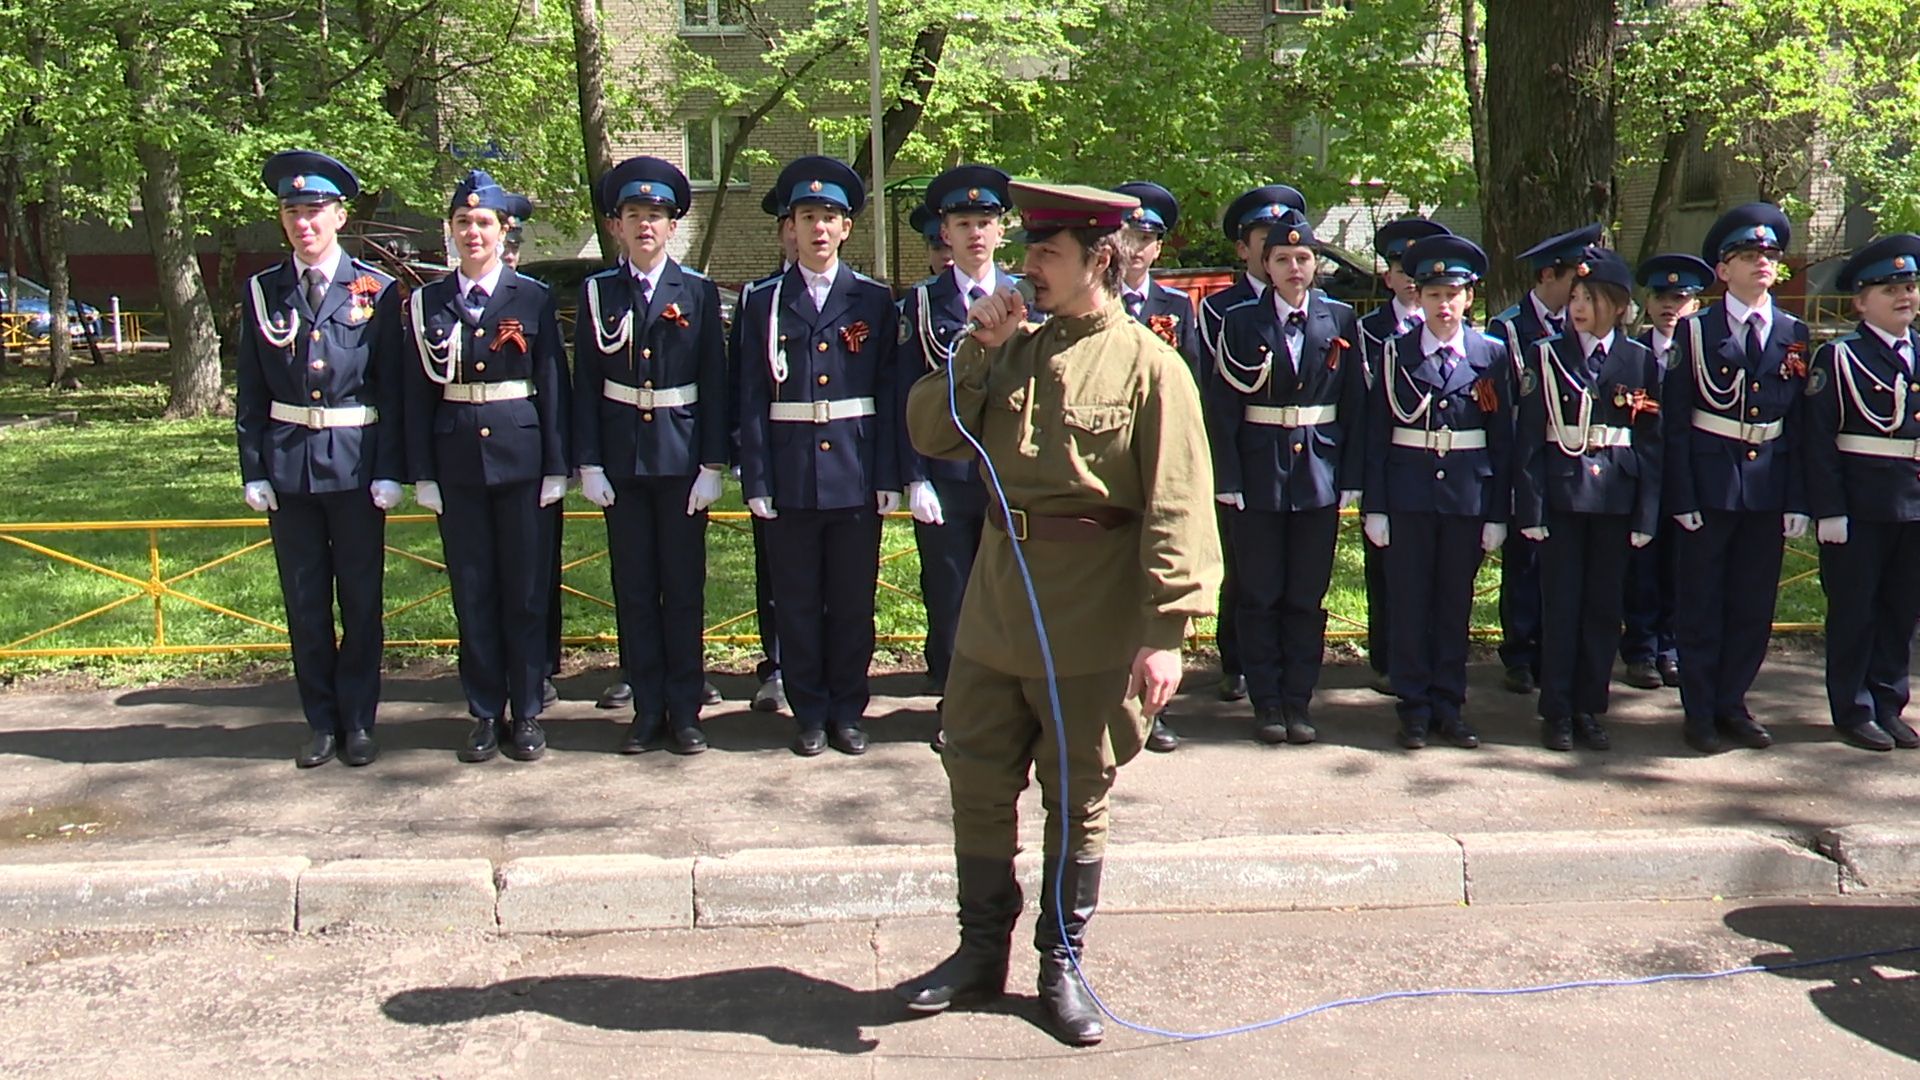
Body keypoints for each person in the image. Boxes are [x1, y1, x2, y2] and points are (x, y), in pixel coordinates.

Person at [895, 181, 1220, 1046]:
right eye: (1028, 250)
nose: (1027, 266)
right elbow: (929, 432)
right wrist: (976, 348)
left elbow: (1178, 504)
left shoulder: (1152, 364)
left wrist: (1167, 633)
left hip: (1094, 614)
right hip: (999, 604)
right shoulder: (1012, 345)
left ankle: (1062, 964)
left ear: (1097, 260)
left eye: (1046, 253)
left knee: (1077, 795)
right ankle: (977, 955)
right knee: (976, 777)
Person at [235, 149, 404, 769]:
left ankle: (359, 721)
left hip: (357, 465)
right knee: (305, 604)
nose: (302, 222)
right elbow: (251, 390)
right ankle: (321, 723)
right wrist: (253, 467)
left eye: (313, 210)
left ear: (339, 215)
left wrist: (391, 468)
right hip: (289, 467)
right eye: (291, 211)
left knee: (360, 602)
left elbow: (393, 389)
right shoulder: (263, 291)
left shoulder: (376, 291)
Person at [402, 170, 570, 763]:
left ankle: (525, 711)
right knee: (472, 592)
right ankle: (481, 711)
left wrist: (558, 465)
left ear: (504, 232)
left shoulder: (533, 298)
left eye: (483, 223)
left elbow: (551, 382)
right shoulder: (426, 303)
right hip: (457, 463)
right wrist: (421, 470)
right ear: (450, 232)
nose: (473, 233)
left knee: (525, 593)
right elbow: (415, 392)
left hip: (523, 461)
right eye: (462, 223)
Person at [736, 156, 901, 757]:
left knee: (854, 602)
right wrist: (756, 476)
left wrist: (889, 474)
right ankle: (808, 711)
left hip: (855, 473)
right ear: (791, 227)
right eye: (808, 217)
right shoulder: (763, 301)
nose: (819, 228)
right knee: (798, 601)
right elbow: (750, 395)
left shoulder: (874, 300)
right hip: (791, 474)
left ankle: (847, 710)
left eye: (830, 217)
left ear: (847, 228)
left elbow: (888, 392)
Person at [573, 156, 729, 755]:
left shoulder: (696, 290)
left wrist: (713, 464)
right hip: (621, 459)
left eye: (656, 216)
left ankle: (685, 711)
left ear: (672, 227)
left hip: (682, 458)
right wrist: (587, 461)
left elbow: (714, 382)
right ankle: (645, 706)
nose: (645, 225)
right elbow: (585, 378)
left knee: (683, 587)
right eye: (634, 215)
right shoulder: (598, 292)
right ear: (615, 226)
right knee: (634, 588)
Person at [1207, 209, 1363, 745]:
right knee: (1259, 592)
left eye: (1303, 257)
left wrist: (1352, 477)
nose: (1295, 267)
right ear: (1265, 266)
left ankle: (1299, 700)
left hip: (1317, 471)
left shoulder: (1342, 320)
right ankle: (1266, 701)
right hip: (1258, 472)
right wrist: (1226, 477)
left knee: (1305, 595)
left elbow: (1355, 407)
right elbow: (1223, 407)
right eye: (1282, 259)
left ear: (1316, 263)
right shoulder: (1241, 322)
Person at [1662, 201, 1810, 754]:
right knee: (1701, 604)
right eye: (1749, 255)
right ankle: (1699, 709)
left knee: (1752, 606)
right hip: (1711, 480)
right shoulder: (1695, 333)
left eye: (1769, 255)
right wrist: (1681, 494)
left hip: (1767, 484)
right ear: (1723, 269)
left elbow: (1797, 421)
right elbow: (1674, 422)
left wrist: (1798, 497)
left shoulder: (1793, 332)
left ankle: (1733, 702)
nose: (1762, 264)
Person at [1362, 235, 1512, 751]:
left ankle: (1450, 704)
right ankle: (1413, 707)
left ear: (1469, 298)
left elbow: (1502, 438)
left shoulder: (1490, 355)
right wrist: (1375, 506)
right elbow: (1377, 434)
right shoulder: (1394, 354)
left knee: (1454, 604)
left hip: (1466, 496)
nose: (1443, 305)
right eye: (1432, 295)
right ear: (1417, 298)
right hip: (1409, 494)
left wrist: (1497, 511)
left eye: (1453, 294)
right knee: (1408, 604)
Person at [1512, 247, 1663, 752]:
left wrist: (1646, 511)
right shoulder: (1547, 355)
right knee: (1561, 608)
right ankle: (1556, 709)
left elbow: (1650, 441)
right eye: (1575, 296)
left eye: (1591, 298)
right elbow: (1531, 439)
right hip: (1562, 495)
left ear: (1618, 305)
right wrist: (1530, 508)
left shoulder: (1639, 361)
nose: (1578, 307)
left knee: (1602, 610)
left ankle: (1589, 707)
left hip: (1615, 498)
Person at [898, 165, 1012, 754]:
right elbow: (907, 393)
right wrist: (914, 476)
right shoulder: (921, 302)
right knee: (950, 597)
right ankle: (956, 705)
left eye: (984, 223)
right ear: (944, 232)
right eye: (962, 222)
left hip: (1010, 477)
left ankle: (1006, 707)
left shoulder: (1024, 298)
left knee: (1008, 595)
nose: (973, 234)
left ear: (1001, 230)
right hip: (945, 475)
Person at [1803, 233, 1920, 752]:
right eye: (1889, 287)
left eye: (1911, 285)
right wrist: (1828, 510)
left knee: (1900, 610)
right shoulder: (1841, 357)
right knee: (1855, 610)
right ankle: (1852, 707)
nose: (1905, 295)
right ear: (1859, 300)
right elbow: (1819, 442)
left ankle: (1888, 701)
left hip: (1912, 505)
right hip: (1860, 505)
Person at [1196, 183, 1307, 705]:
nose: (1278, 255)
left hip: (1305, 466)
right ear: (1247, 249)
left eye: (1289, 246)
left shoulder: (1322, 309)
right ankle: (1236, 662)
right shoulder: (1223, 310)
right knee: (1243, 571)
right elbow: (1214, 393)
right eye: (1265, 241)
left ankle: (1289, 669)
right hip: (1248, 455)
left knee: (1297, 578)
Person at [1490, 223, 1603, 695]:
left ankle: (1561, 649)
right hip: (1529, 456)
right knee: (1526, 559)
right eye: (1574, 283)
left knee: (1568, 561)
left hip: (1577, 463)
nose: (1581, 294)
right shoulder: (1510, 328)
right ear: (1547, 277)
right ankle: (1520, 648)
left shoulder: (1588, 326)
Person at [1114, 178, 1201, 752]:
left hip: (1158, 466)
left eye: (1148, 238)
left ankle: (1153, 709)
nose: (1138, 247)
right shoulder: (1090, 302)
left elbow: (1189, 388)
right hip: (1109, 463)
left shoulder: (1174, 308)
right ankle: (1108, 698)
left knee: (1154, 585)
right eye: (1129, 234)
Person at [1356, 217, 1450, 697]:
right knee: (1387, 568)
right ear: (1388, 273)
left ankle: (1432, 661)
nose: (1411, 277)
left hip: (1445, 474)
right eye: (1400, 264)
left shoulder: (1453, 325)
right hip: (1395, 465)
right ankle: (1387, 657)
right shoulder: (1368, 330)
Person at [1618, 253, 1712, 691]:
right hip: (1641, 476)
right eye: (1661, 296)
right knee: (1642, 566)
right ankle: (1640, 649)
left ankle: (1670, 648)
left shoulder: (1705, 353)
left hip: (1690, 474)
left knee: (1681, 565)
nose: (1670, 306)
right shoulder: (1633, 355)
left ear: (1696, 303)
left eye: (1681, 297)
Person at [728, 187, 797, 717]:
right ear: (782, 233)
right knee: (774, 572)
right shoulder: (761, 297)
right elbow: (741, 385)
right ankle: (775, 665)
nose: (804, 233)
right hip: (775, 458)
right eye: (794, 223)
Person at [909, 204, 954, 281]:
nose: (946, 256)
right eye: (937, 248)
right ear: (928, 253)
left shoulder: (979, 291)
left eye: (953, 248)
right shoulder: (919, 293)